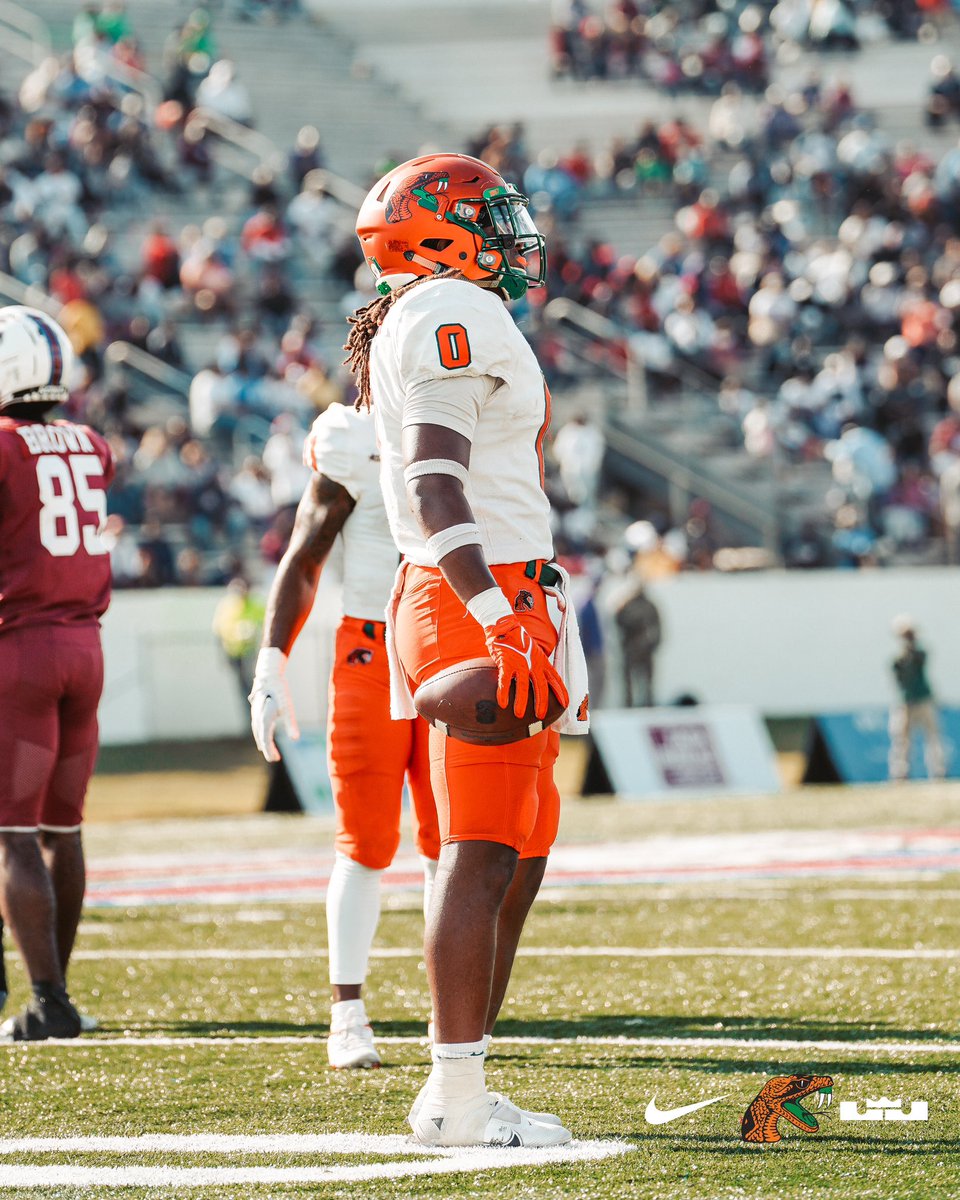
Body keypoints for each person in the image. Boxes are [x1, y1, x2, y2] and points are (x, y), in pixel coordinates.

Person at [344, 152, 590, 1147]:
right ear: (439, 233)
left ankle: (466, 1079)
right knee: (481, 848)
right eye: (488, 213)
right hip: (475, 594)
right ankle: (453, 1094)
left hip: (503, 588)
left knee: (523, 843)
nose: (510, 228)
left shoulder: (439, 313)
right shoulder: (455, 309)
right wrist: (494, 609)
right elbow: (438, 483)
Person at [248, 402, 440, 1069]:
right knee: (363, 841)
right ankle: (347, 1013)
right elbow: (305, 555)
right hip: (372, 647)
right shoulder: (354, 434)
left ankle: (454, 1013)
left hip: (451, 642)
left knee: (456, 842)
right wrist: (271, 663)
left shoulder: (468, 408)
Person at [0, 305, 114, 1041]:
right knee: (60, 832)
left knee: (12, 834)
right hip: (85, 648)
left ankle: (48, 1000)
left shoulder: (4, 447)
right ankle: (58, 991)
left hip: (22, 649)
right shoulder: (93, 443)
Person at [888, 615, 946, 782]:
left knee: (933, 737)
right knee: (901, 740)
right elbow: (899, 677)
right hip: (905, 702)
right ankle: (900, 774)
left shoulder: (920, 653)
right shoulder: (897, 658)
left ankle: (938, 772)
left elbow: (919, 660)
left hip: (924, 700)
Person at [612, 574, 662, 707]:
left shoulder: (649, 606)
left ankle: (647, 703)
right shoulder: (626, 605)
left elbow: (657, 626)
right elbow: (619, 622)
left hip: (644, 647)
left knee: (646, 679)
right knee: (629, 679)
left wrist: (654, 643)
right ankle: (629, 703)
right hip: (631, 646)